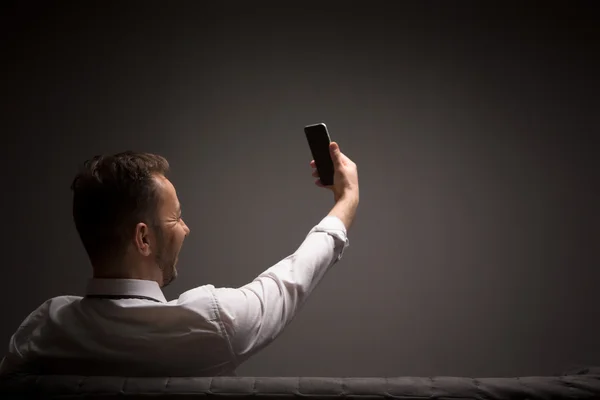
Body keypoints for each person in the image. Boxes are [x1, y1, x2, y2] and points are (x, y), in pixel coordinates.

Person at [0, 141, 359, 377]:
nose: (185, 229)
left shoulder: (41, 331)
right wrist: (346, 201)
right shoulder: (210, 322)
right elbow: (287, 284)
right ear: (143, 238)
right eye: (175, 217)